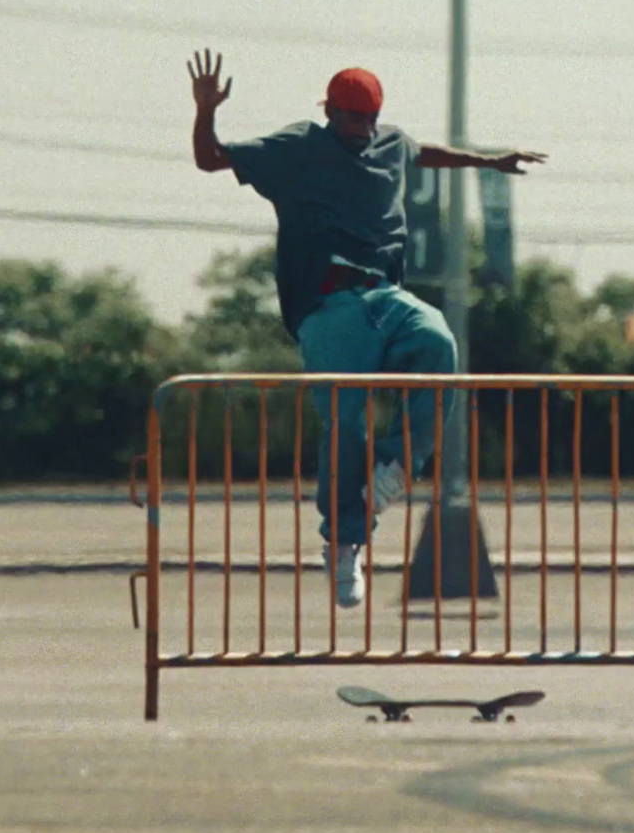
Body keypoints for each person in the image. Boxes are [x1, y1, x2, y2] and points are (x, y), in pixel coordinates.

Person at [187, 49, 545, 608]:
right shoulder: (298, 148)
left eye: (370, 118)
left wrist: (487, 162)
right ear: (329, 110)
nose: (362, 129)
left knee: (438, 344)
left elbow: (422, 152)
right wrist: (206, 112)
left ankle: (395, 466)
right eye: (352, 118)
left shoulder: (389, 142)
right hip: (329, 304)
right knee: (345, 419)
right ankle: (345, 544)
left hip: (386, 293)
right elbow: (211, 160)